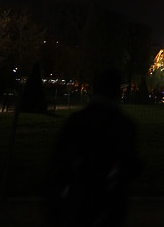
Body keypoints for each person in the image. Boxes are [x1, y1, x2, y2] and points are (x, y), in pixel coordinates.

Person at [45, 67, 141, 226]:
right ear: (117, 92)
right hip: (108, 201)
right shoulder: (124, 125)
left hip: (79, 197)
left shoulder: (76, 121)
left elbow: (58, 162)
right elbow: (129, 165)